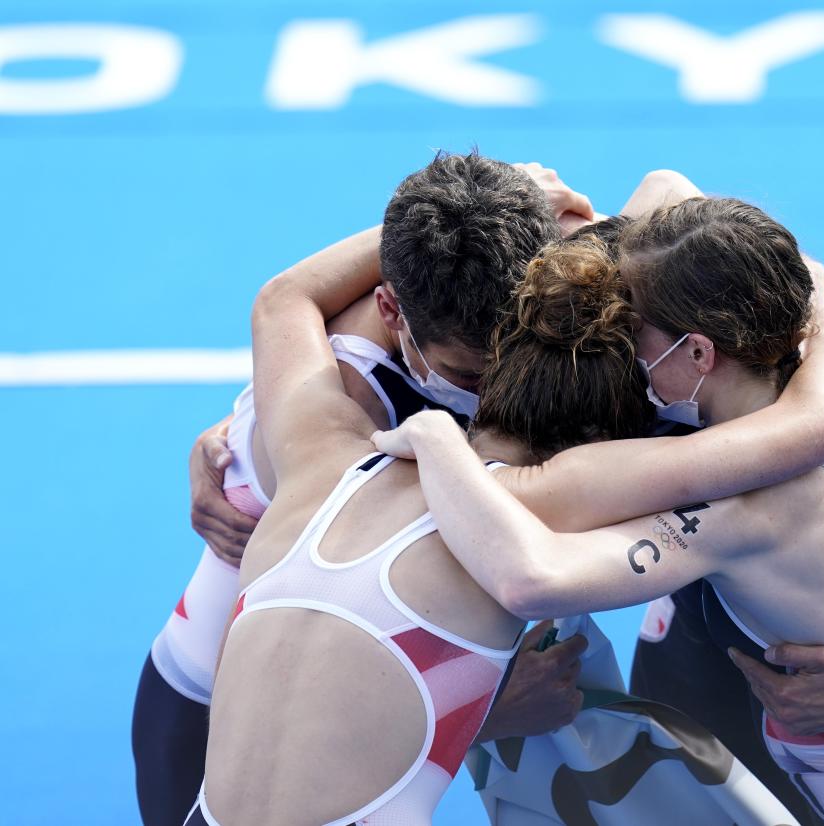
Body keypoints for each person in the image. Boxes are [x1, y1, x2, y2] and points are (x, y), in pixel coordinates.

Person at [191, 202, 824, 823]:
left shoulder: (317, 447)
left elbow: (282, 300)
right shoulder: (548, 495)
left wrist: (482, 212)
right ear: (601, 438)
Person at [374, 197, 824, 825]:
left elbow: (535, 572)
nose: (621, 346)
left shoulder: (743, 512)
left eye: (632, 328)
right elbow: (677, 197)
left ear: (698, 351)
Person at [132, 151, 595, 825]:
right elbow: (319, 710)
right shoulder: (345, 391)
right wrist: (485, 711)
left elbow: (285, 297)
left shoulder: (502, 279)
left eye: (515, 357)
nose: (498, 395)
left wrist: (522, 201)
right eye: (470, 376)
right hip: (213, 723)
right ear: (391, 309)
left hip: (382, 679)